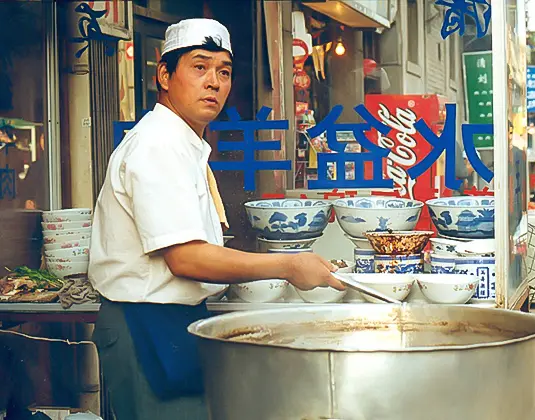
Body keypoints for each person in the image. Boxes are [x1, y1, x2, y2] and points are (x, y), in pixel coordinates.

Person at [88, 19, 344, 420]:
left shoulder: (183, 142)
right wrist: (289, 265)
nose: (214, 82)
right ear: (164, 75)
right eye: (199, 67)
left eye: (223, 72)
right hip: (147, 326)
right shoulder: (158, 145)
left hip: (171, 323)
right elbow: (186, 258)